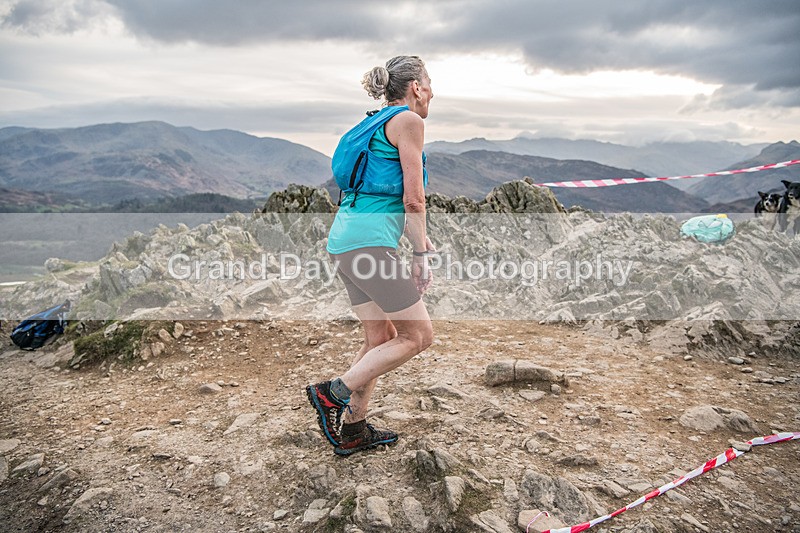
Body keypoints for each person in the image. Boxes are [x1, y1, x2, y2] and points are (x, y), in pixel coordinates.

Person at [305, 55, 435, 456]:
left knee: (380, 337)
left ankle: (355, 428)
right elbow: (413, 199)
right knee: (419, 336)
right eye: (430, 82)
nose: (433, 91)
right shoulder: (409, 122)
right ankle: (332, 394)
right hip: (368, 245)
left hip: (344, 239)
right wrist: (420, 252)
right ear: (415, 87)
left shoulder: (371, 121)